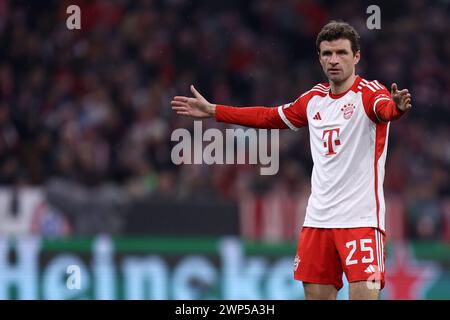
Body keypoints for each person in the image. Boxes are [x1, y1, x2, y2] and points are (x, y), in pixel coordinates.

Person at [171, 21, 412, 300]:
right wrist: (214, 110)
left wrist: (396, 108)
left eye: (342, 53)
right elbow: (269, 117)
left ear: (356, 56)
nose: (334, 60)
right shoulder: (313, 100)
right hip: (318, 221)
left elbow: (383, 109)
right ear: (319, 58)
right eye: (327, 54)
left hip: (361, 220)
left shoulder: (369, 92)